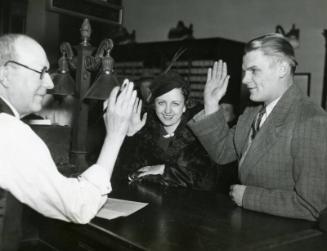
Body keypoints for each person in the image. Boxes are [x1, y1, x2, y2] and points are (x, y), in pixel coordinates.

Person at [0, 34, 139, 224]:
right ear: (5, 75)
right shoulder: (10, 132)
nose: (49, 84)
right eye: (40, 72)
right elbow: (79, 207)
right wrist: (115, 135)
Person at [188, 33, 327, 221]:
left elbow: (311, 206)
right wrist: (211, 103)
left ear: (282, 69)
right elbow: (223, 152)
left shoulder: (311, 120)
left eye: (254, 70)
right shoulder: (252, 112)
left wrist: (248, 197)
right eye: (245, 71)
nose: (245, 80)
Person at [115, 72, 218, 191]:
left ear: (185, 106)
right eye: (161, 103)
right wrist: (131, 135)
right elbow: (123, 174)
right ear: (154, 104)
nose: (167, 110)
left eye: (175, 103)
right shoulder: (144, 130)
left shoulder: (198, 134)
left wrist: (163, 169)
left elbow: (205, 180)